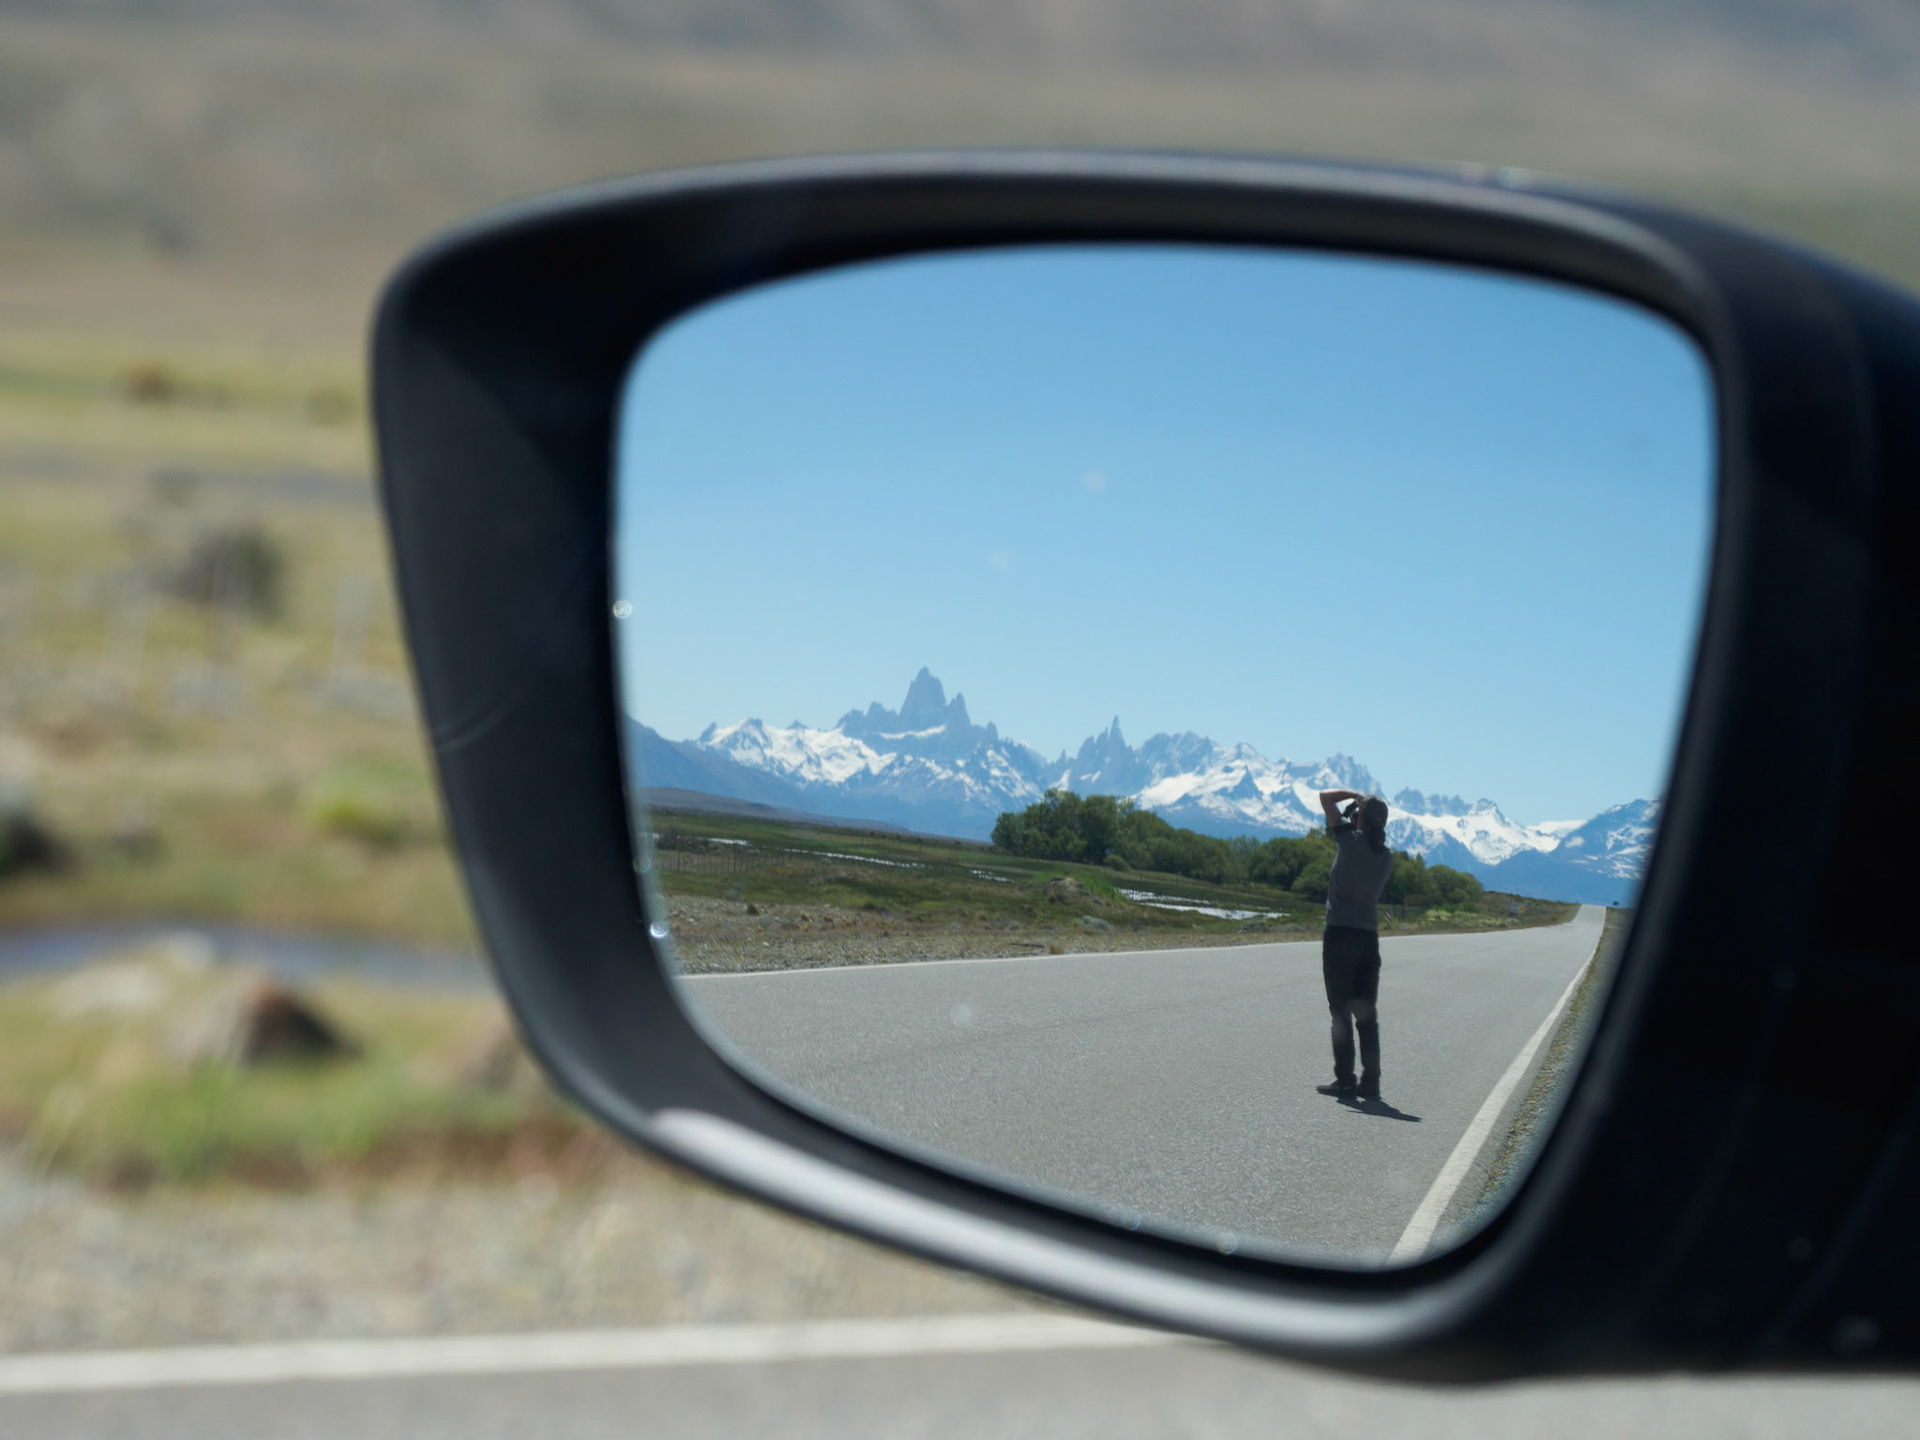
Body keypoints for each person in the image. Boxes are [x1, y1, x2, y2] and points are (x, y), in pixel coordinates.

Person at [1314, 788, 1394, 1102]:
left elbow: (1324, 798)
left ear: (1359, 817)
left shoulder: (1348, 842)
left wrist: (1354, 795)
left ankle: (1345, 1081)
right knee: (1366, 1016)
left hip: (1339, 938)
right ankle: (1370, 1083)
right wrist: (1361, 809)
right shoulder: (1386, 857)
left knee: (1340, 1014)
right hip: (1367, 941)